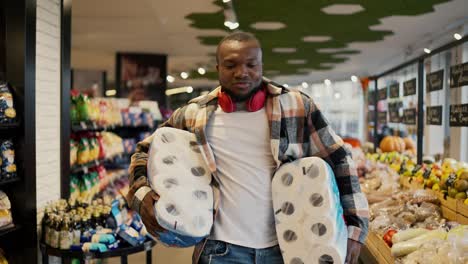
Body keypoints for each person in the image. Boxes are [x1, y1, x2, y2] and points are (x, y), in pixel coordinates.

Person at [126, 31, 369, 264]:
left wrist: (355, 228)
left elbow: (339, 159)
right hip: (219, 251)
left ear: (261, 67)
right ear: (218, 69)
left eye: (251, 65)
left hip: (285, 250)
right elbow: (144, 151)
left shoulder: (296, 106)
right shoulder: (194, 114)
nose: (242, 72)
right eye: (231, 65)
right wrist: (142, 194)